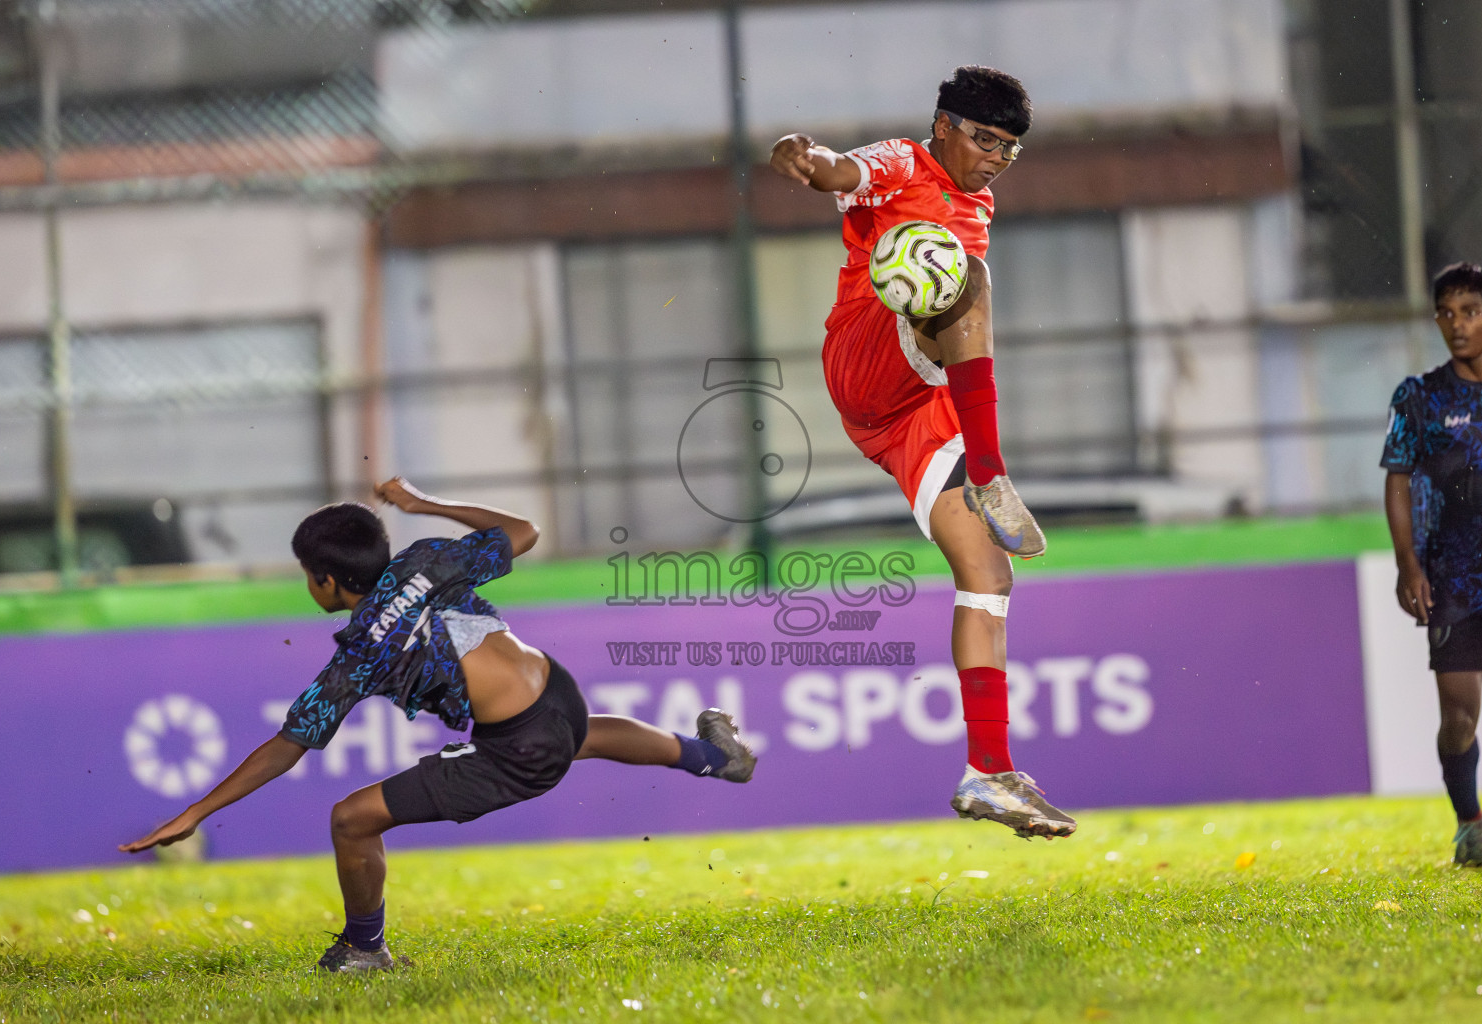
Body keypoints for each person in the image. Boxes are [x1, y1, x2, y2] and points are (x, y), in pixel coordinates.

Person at [121, 477, 756, 970]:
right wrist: (423, 504)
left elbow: (288, 747)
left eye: (307, 575)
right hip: (553, 690)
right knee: (582, 735)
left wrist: (197, 812)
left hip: (520, 746)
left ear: (327, 581)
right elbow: (524, 529)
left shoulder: (359, 655)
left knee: (351, 819)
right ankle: (712, 756)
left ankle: (366, 951)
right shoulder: (425, 561)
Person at [767, 65, 1074, 839]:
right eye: (984, 139)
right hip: (867, 362)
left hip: (918, 410)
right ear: (944, 125)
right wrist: (804, 156)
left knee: (989, 574)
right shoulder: (906, 162)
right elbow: (846, 169)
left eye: (1009, 148)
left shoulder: (979, 201)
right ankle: (993, 473)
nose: (996, 157)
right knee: (964, 275)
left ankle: (989, 773)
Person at [1381, 261, 1482, 867]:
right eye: (1445, 312)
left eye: (1469, 312)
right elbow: (1397, 481)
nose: (1456, 323)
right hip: (1454, 578)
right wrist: (1408, 563)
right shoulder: (1419, 398)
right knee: (1460, 720)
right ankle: (1470, 826)